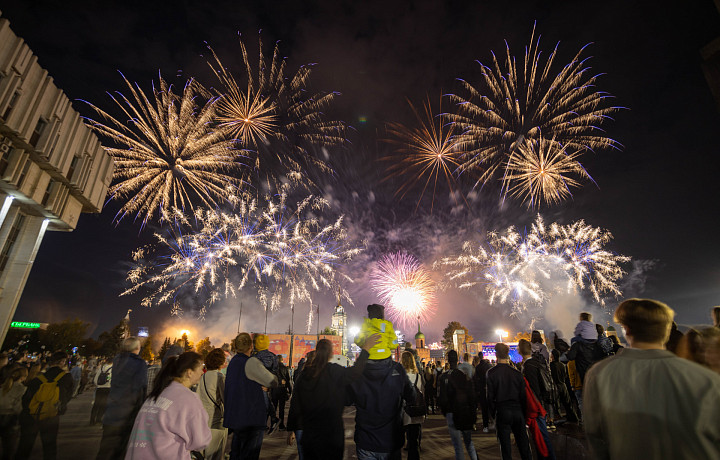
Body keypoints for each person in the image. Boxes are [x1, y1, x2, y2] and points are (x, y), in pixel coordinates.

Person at [584, 298, 720, 460]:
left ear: (626, 329)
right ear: (667, 329)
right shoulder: (706, 379)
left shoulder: (599, 373)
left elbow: (596, 437)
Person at [287, 335, 378, 460]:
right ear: (331, 353)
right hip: (332, 434)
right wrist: (366, 350)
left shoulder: (304, 375)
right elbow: (355, 372)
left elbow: (295, 405)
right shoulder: (335, 371)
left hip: (310, 434)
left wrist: (292, 429)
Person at [350, 305, 415, 460]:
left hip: (366, 441)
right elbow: (393, 343)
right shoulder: (397, 370)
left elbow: (358, 340)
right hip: (391, 442)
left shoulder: (358, 373)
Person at [125, 352, 211, 459]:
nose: (203, 372)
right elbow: (200, 441)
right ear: (189, 372)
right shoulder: (189, 399)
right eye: (201, 368)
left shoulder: (156, 394)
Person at [224, 332, 278, 460]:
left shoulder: (233, 362)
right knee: (249, 455)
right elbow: (273, 381)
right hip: (251, 419)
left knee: (236, 453)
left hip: (236, 418)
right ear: (251, 347)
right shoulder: (251, 362)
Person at [96, 337, 148, 460]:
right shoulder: (139, 364)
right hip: (127, 414)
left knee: (105, 450)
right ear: (137, 348)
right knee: (121, 451)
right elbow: (140, 388)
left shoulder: (117, 360)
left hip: (111, 411)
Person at [15, 351, 73, 460]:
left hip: (31, 415)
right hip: (50, 415)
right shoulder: (66, 377)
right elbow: (67, 397)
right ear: (63, 362)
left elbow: (26, 398)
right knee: (49, 447)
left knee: (24, 447)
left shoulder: (38, 378)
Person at [486, 343, 531, 460]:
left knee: (506, 449)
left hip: (502, 411)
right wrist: (524, 415)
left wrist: (494, 414)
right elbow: (523, 397)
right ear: (507, 354)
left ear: (496, 354)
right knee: (524, 446)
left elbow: (490, 397)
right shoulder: (517, 373)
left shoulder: (491, 373)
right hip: (518, 411)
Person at [518, 340, 556, 460]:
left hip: (536, 405)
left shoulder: (529, 366)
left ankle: (550, 457)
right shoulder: (536, 362)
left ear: (520, 350)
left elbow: (533, 387)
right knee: (540, 435)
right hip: (539, 403)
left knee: (542, 436)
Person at [439, 350, 478, 460]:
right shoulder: (464, 376)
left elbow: (442, 398)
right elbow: (472, 396)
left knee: (458, 446)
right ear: (457, 360)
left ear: (447, 360)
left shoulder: (444, 377)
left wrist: (445, 412)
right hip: (465, 411)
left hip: (451, 413)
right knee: (469, 443)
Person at [197, 348, 228, 460]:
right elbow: (226, 399)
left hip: (202, 421)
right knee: (216, 454)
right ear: (220, 363)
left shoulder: (202, 376)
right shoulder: (220, 377)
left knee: (203, 453)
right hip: (216, 421)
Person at [252, 333, 280, 434]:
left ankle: (270, 420)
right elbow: (275, 373)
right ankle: (273, 418)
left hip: (257, 384)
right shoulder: (274, 356)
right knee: (265, 400)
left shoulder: (254, 356)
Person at [400, 351, 425, 460]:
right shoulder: (418, 376)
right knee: (413, 443)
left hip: (404, 413)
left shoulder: (401, 376)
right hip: (416, 413)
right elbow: (421, 392)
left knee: (399, 441)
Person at [0, 365, 27, 460]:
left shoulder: (4, 386)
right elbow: (18, 407)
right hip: (11, 419)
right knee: (9, 448)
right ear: (23, 377)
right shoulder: (21, 388)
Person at [549, 349, 578, 423]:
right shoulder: (562, 365)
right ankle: (573, 417)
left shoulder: (551, 365)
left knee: (557, 404)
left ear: (552, 356)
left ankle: (559, 419)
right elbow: (565, 375)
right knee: (568, 404)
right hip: (563, 385)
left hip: (556, 386)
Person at [472, 354, 492, 433]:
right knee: (491, 407)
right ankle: (493, 422)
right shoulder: (489, 366)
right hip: (489, 389)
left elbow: (476, 380)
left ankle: (485, 425)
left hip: (482, 390)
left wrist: (478, 390)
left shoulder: (478, 367)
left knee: (484, 409)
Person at [90, 358, 112, 425]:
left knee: (96, 404)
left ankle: (92, 420)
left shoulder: (102, 368)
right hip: (108, 388)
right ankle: (99, 419)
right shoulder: (114, 369)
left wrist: (98, 385)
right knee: (104, 405)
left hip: (99, 388)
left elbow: (95, 379)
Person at [271, 355, 292, 430]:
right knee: (281, 408)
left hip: (274, 390)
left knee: (274, 408)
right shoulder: (285, 368)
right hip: (282, 390)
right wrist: (290, 390)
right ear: (282, 360)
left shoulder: (273, 368)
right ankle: (281, 425)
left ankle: (272, 424)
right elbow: (288, 380)